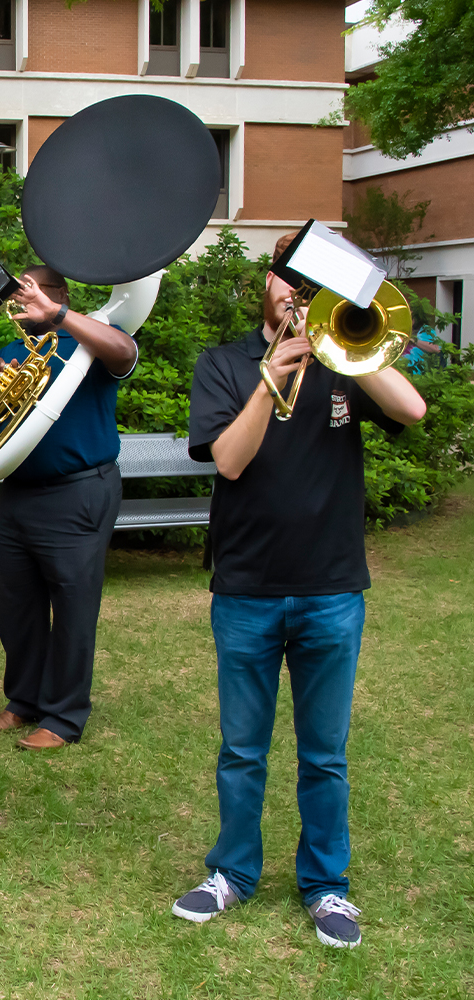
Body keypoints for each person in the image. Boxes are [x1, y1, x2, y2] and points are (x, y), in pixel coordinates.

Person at [171, 236, 427, 949]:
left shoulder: (351, 357)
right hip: (248, 587)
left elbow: (411, 410)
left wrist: (346, 341)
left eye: (313, 284)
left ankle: (326, 886)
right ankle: (231, 874)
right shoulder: (223, 364)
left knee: (325, 753)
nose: (296, 293)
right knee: (242, 749)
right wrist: (268, 378)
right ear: (268, 282)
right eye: (289, 280)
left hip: (332, 587)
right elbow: (227, 460)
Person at [0, 266, 137, 751]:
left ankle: (63, 717)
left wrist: (61, 316)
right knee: (16, 604)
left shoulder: (91, 339)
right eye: (19, 293)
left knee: (74, 606)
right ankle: (24, 701)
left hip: (78, 491)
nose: (22, 300)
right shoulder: (15, 351)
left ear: (59, 294)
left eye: (33, 291)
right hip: (20, 494)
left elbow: (125, 355)